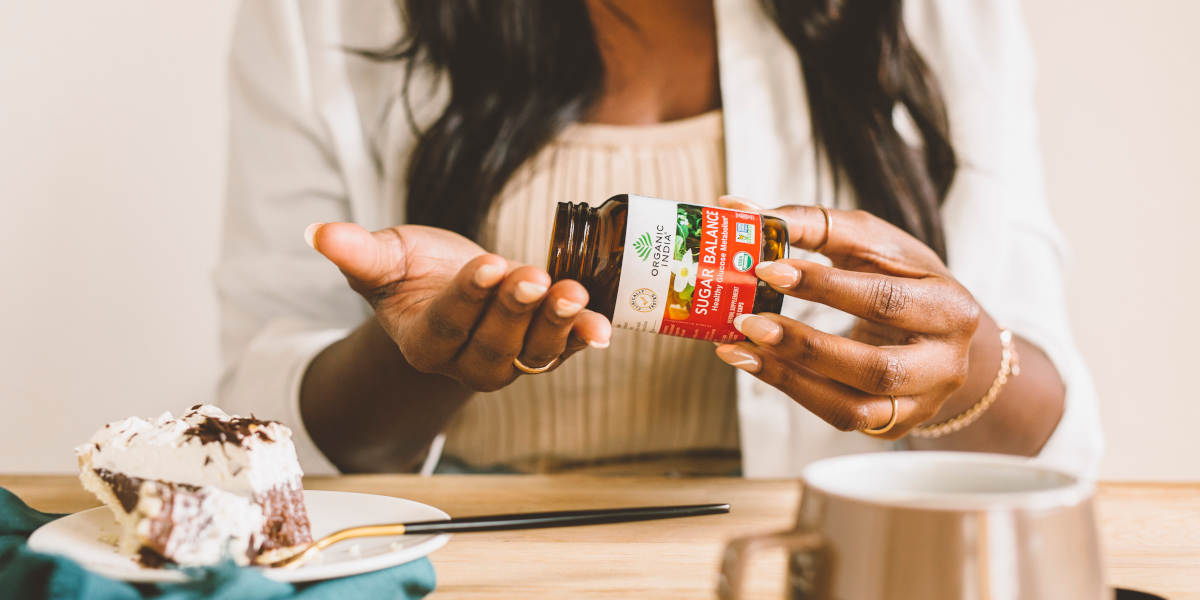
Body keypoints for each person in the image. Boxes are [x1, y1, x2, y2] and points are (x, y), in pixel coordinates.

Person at [217, 0, 1102, 478]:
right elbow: (262, 427)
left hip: (815, 551)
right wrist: (414, 352)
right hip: (478, 557)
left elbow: (1051, 434)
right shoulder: (324, 17)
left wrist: (962, 366)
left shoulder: (935, 15)